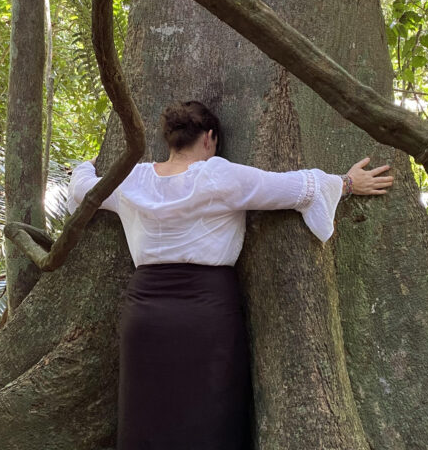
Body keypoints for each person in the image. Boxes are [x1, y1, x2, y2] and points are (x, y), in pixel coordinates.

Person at [66, 100, 394, 450]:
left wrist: (85, 166)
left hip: (145, 314)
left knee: (146, 412)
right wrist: (347, 182)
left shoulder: (131, 178)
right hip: (205, 312)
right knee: (210, 415)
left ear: (171, 140)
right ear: (209, 138)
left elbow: (82, 190)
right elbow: (298, 188)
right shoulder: (218, 174)